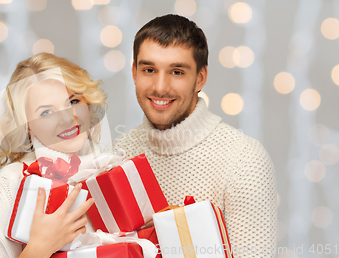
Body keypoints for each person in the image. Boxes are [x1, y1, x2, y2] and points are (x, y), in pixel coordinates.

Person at [114, 14, 277, 257]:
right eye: (149, 69)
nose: (160, 86)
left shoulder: (244, 161)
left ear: (200, 78)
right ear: (135, 73)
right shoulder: (120, 151)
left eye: (177, 72)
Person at [0, 53, 107, 258]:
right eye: (46, 112)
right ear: (27, 128)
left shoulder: (110, 168)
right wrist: (40, 247)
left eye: (73, 101)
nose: (68, 118)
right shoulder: (12, 181)